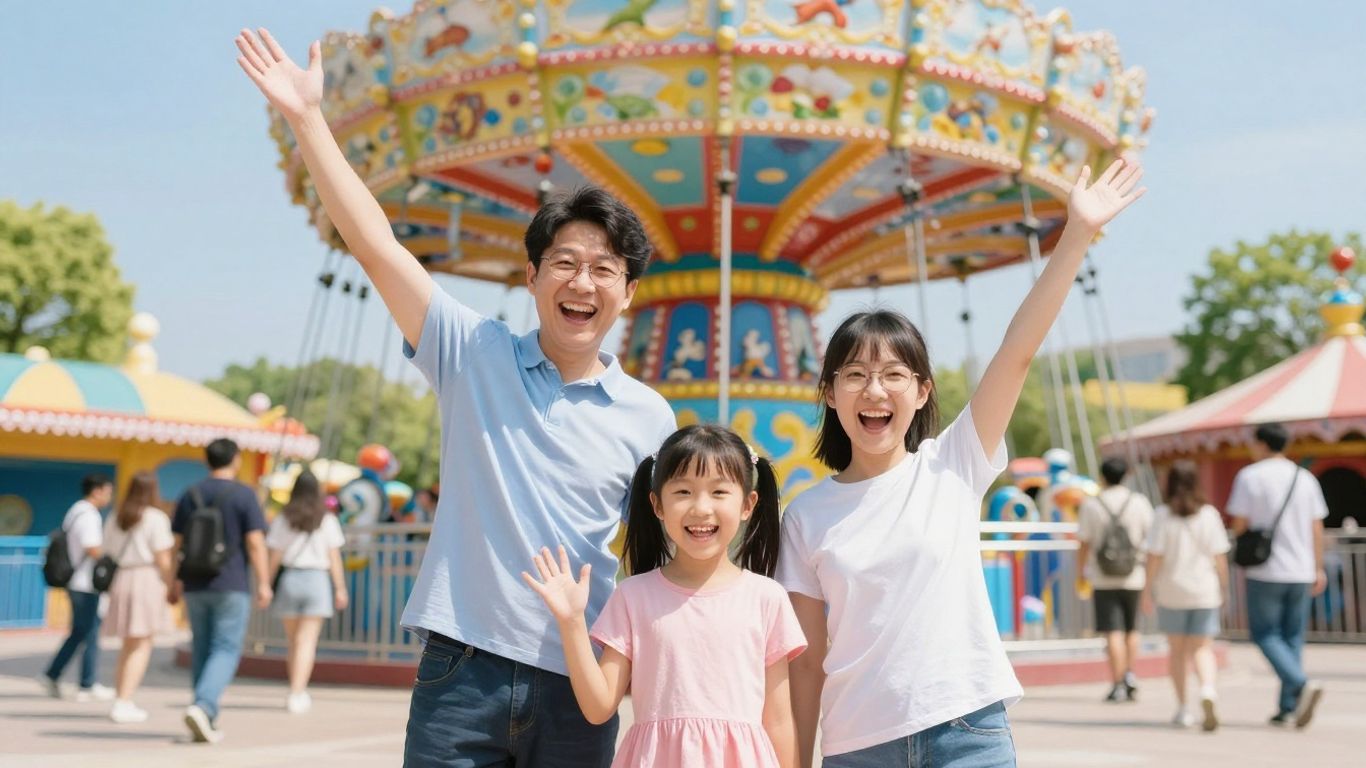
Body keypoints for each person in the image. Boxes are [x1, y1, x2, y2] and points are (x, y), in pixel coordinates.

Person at [235, 29, 676, 766]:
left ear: (628, 292)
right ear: (531, 277)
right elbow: (377, 245)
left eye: (605, 269)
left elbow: (663, 557)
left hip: (579, 676)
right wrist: (309, 119)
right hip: (463, 668)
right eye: (564, 262)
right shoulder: (473, 353)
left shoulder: (650, 417)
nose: (583, 282)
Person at [778, 159, 1145, 767]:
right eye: (856, 375)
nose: (875, 390)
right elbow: (808, 660)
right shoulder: (805, 515)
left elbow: (1018, 352)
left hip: (966, 731)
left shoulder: (952, 463)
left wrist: (1076, 233)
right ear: (830, 393)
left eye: (894, 375)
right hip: (858, 745)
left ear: (922, 391)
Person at [524, 425, 806, 767]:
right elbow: (598, 707)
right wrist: (571, 623)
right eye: (683, 491)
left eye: (719, 492)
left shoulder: (767, 598)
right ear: (657, 504)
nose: (701, 508)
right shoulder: (633, 596)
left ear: (748, 504)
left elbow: (778, 721)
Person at [1227, 422, 1328, 728]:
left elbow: (1240, 524)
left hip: (1266, 569)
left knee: (1265, 634)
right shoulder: (1305, 478)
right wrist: (1318, 567)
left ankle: (1299, 683)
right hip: (1301, 569)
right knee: (1292, 637)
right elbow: (1316, 527)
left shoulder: (1250, 476)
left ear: (1261, 443)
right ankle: (1288, 707)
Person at [170, 438, 271, 744]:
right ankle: (203, 706)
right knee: (225, 648)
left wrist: (173, 581)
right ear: (236, 459)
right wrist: (264, 582)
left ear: (207, 460)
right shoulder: (244, 494)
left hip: (194, 583)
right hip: (231, 583)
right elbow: (255, 542)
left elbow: (176, 545)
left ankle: (205, 717)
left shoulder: (190, 494)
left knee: (202, 648)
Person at [1140, 461, 1229, 731]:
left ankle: (1182, 708)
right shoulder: (1209, 514)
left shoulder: (1162, 515)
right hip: (1204, 590)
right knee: (1202, 648)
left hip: (1172, 591)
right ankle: (1208, 689)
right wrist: (1223, 587)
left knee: (1177, 652)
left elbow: (1154, 557)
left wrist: (1147, 591)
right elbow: (1220, 557)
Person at [266, 470, 349, 714]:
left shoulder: (284, 517)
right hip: (317, 581)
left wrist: (265, 584)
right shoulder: (327, 519)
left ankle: (294, 688)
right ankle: (298, 692)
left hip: (290, 579)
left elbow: (275, 555)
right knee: (307, 642)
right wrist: (340, 588)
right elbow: (334, 557)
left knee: (293, 641)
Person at [1076, 456, 1155, 702]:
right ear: (1126, 475)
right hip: (1135, 575)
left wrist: (1080, 572)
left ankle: (1117, 681)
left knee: (1112, 631)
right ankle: (1130, 674)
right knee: (1132, 629)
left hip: (1103, 577)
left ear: (1102, 477)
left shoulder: (1092, 504)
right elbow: (1151, 538)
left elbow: (1084, 542)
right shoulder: (1139, 502)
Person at [101, 471, 176, 724]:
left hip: (122, 578)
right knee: (142, 644)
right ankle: (124, 701)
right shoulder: (156, 518)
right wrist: (171, 585)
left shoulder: (117, 516)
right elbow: (163, 558)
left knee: (127, 645)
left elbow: (107, 549)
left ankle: (121, 697)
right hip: (146, 579)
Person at [41, 473, 115, 702]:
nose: (109, 497)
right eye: (108, 492)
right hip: (84, 583)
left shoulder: (76, 511)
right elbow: (92, 548)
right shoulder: (88, 514)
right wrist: (112, 560)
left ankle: (56, 674)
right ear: (97, 490)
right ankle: (86, 683)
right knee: (88, 632)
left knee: (82, 632)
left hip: (77, 581)